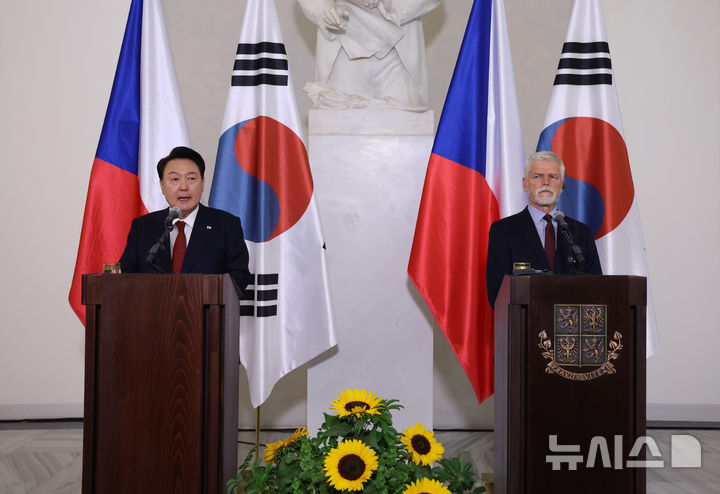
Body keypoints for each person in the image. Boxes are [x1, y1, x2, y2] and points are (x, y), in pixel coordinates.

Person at [119, 146, 251, 294]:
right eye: (175, 179)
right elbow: (125, 276)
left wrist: (203, 294)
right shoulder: (143, 227)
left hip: (207, 314)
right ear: (162, 186)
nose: (183, 187)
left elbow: (239, 276)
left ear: (202, 183)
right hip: (153, 314)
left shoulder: (226, 225)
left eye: (191, 179)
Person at [486, 151, 602, 307]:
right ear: (525, 184)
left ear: (562, 184)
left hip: (571, 327)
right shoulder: (503, 231)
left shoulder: (581, 232)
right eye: (537, 176)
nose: (545, 182)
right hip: (525, 326)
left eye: (553, 177)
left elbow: (597, 289)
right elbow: (497, 294)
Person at [297, 0, 442, 110]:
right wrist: (325, 9)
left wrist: (390, 3)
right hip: (343, 51)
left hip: (397, 56)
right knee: (337, 131)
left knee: (403, 131)